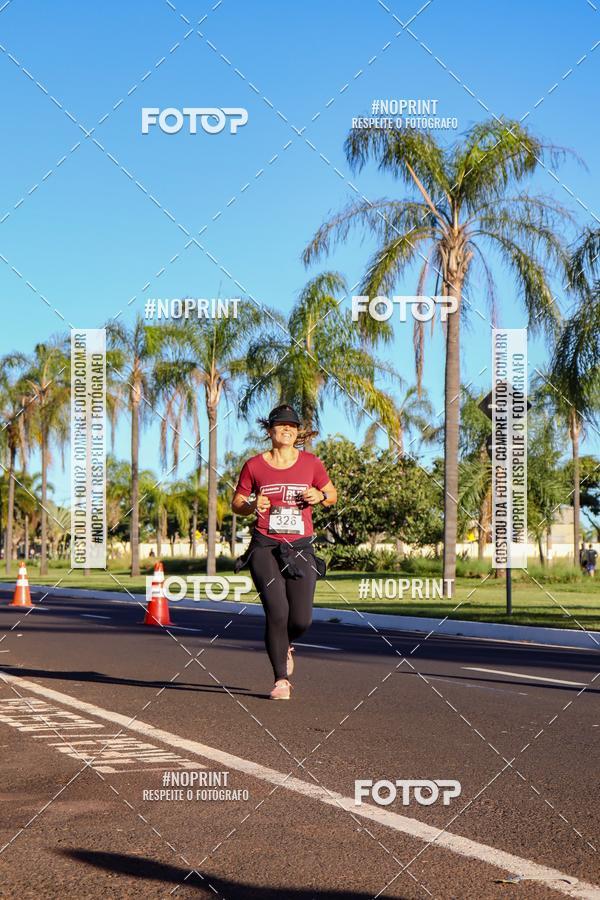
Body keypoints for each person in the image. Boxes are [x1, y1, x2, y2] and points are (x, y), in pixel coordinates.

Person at [231, 404, 337, 700]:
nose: (288, 430)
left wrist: (320, 495)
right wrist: (253, 504)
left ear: (297, 431)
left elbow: (332, 494)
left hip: (300, 547)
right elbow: (236, 503)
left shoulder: (311, 463)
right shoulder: (254, 465)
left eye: (293, 426)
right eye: (281, 426)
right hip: (265, 546)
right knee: (277, 611)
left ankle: (286, 643)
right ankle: (281, 680)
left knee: (301, 619)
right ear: (270, 431)